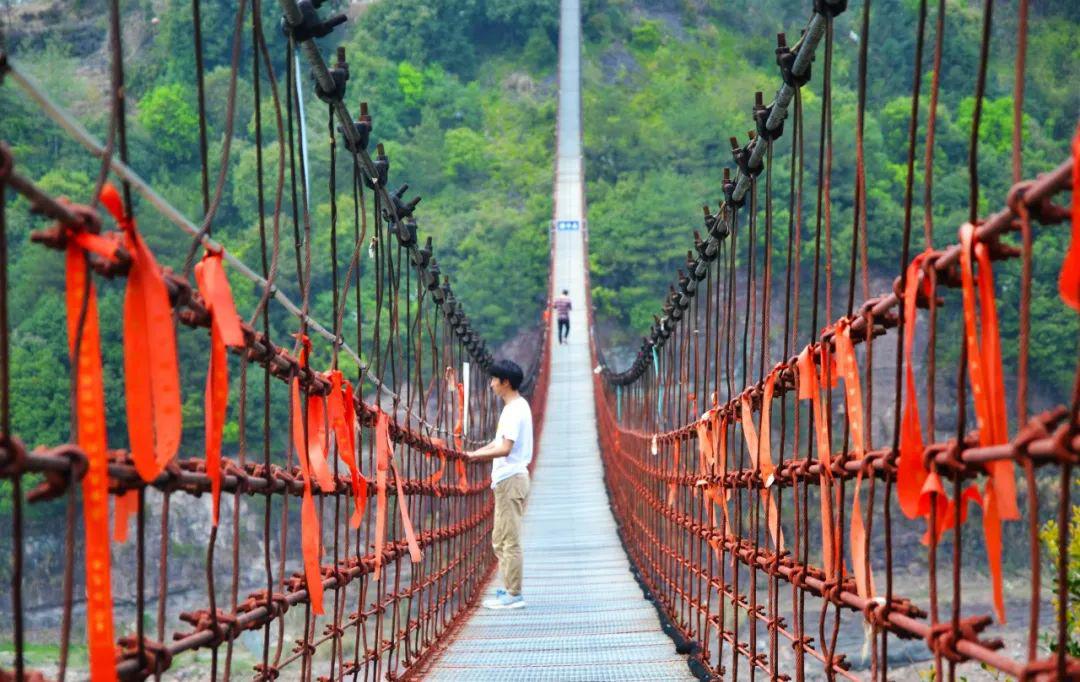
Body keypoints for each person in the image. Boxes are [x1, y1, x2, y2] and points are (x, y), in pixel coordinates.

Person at [467, 359, 533, 609]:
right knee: (500, 537)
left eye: (494, 380)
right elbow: (498, 444)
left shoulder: (514, 410)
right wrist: (474, 454)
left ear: (505, 382)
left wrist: (475, 456)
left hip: (511, 480)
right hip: (509, 480)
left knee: (508, 539)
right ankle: (509, 588)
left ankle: (514, 595)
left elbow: (505, 449)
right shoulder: (515, 407)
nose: (491, 384)